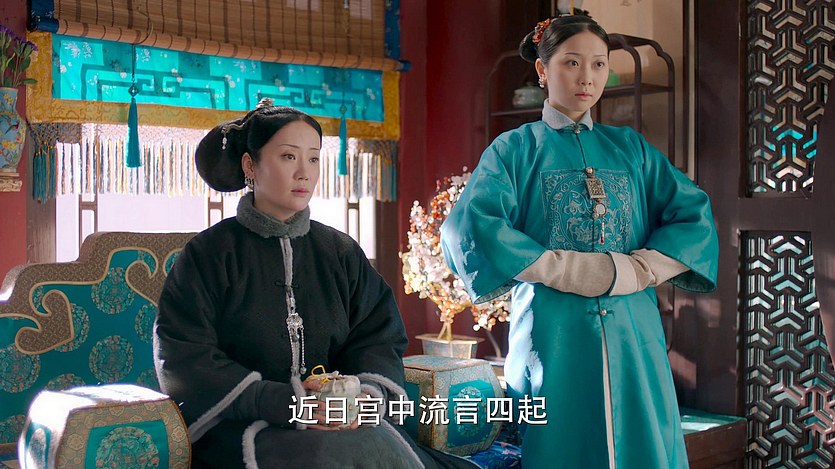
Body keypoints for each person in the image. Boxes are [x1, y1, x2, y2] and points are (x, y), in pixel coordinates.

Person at [440, 13, 718, 469]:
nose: (587, 78)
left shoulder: (630, 148)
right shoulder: (515, 149)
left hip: (635, 334)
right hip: (552, 334)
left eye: (598, 64)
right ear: (542, 69)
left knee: (644, 444)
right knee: (559, 445)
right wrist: (561, 268)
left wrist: (640, 270)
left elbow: (694, 214)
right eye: (572, 62)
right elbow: (470, 226)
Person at [154, 101, 477, 469]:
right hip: (244, 426)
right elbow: (184, 355)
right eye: (288, 156)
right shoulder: (210, 254)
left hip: (341, 423)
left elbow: (378, 336)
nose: (303, 173)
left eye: (313, 158)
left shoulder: (339, 252)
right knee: (326, 455)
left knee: (376, 446)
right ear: (250, 165)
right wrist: (284, 402)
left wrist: (364, 396)